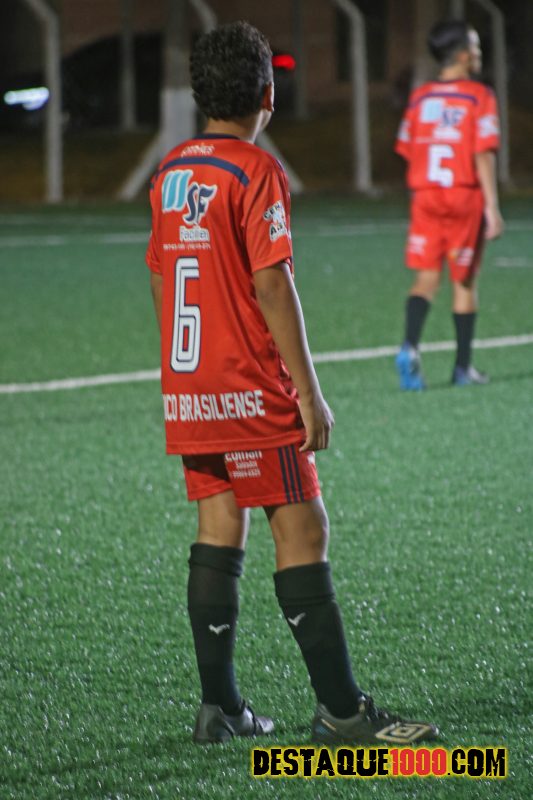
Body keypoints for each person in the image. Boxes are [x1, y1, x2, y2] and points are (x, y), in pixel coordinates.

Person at [146, 20, 437, 745]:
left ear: (198, 96)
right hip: (249, 386)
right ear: (267, 96)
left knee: (218, 525)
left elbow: (159, 273)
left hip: (190, 384)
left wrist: (182, 372)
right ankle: (342, 713)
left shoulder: (171, 171)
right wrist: (307, 393)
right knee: (303, 529)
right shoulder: (256, 170)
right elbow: (271, 282)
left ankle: (219, 708)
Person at [395, 19, 503, 390]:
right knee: (464, 282)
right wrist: (492, 206)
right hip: (463, 195)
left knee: (426, 278)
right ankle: (462, 369)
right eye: (474, 45)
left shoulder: (420, 97)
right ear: (462, 55)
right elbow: (483, 153)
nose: (478, 51)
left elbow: (408, 148)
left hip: (426, 195)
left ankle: (409, 347)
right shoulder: (479, 96)